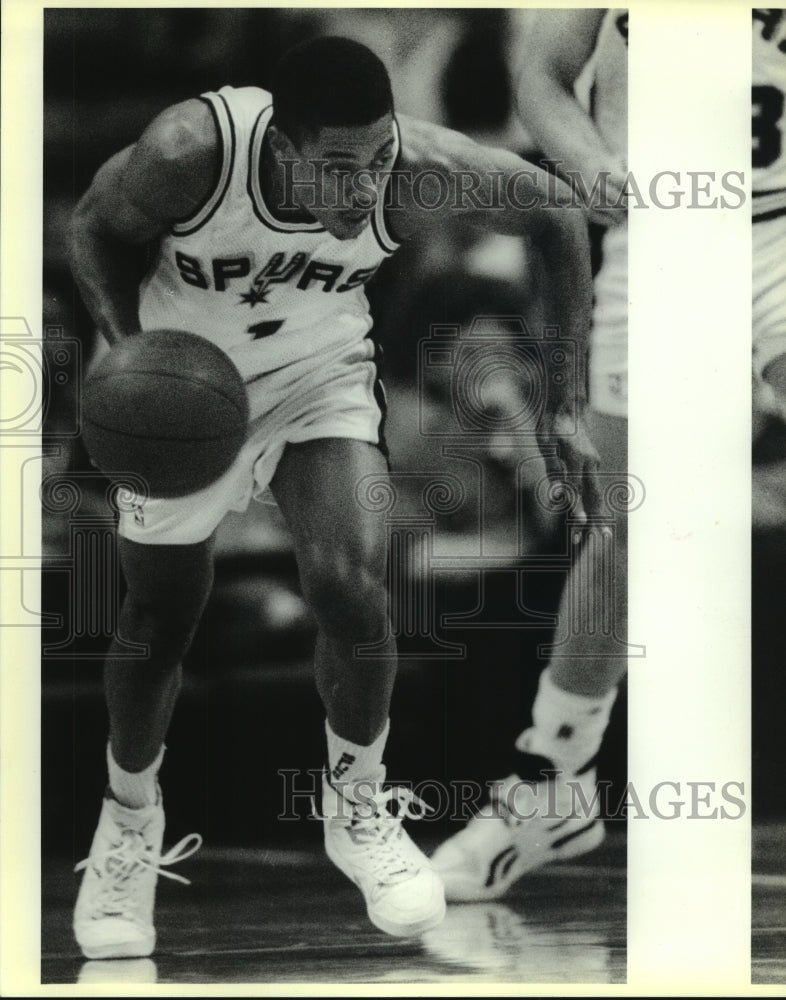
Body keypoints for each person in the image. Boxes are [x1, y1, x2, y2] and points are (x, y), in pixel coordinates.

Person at [68, 35, 597, 956]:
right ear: (283, 149)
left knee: (353, 587)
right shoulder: (190, 152)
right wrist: (130, 355)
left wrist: (564, 402)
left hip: (317, 376)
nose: (365, 188)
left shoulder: (416, 170)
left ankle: (358, 805)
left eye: (378, 159)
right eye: (340, 170)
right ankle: (129, 820)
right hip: (185, 385)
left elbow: (555, 214)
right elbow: (93, 229)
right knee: (159, 617)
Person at [431, 8, 630, 899]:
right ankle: (555, 777)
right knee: (620, 529)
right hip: (659, 240)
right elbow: (543, 77)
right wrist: (589, 158)